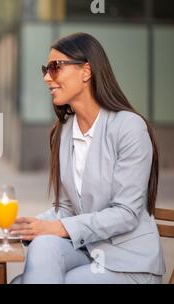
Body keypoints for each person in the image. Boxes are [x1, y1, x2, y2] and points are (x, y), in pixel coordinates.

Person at [10, 32, 165, 284]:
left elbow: (126, 213)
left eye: (55, 68)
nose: (47, 78)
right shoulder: (64, 130)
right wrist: (26, 227)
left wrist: (58, 228)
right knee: (43, 246)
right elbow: (68, 209)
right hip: (88, 252)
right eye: (45, 69)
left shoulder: (129, 127)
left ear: (86, 71)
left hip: (129, 264)